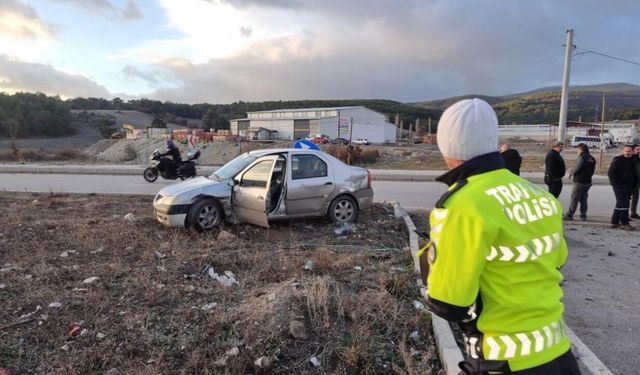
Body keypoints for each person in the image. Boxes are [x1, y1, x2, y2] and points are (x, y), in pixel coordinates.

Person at [423, 98, 579, 375]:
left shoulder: (461, 206)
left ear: (444, 144)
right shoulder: (537, 195)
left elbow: (448, 303)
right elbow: (557, 260)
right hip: (559, 356)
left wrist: (429, 259)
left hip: (502, 361)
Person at [563, 143, 596, 221]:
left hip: (579, 181)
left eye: (577, 149)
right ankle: (583, 215)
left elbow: (578, 168)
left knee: (574, 198)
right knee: (583, 199)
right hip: (588, 181)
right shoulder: (592, 158)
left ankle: (570, 215)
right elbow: (592, 170)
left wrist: (571, 173)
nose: (577, 151)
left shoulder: (581, 157)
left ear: (581, 149)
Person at [608, 145, 637, 230]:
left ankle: (614, 221)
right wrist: (615, 183)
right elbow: (611, 173)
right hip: (618, 185)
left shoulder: (633, 160)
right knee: (624, 203)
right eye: (625, 151)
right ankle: (624, 223)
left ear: (632, 151)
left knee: (620, 203)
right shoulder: (618, 160)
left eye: (629, 151)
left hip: (629, 186)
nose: (627, 153)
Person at [629, 144, 640, 219]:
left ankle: (633, 213)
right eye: (638, 149)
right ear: (633, 150)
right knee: (626, 199)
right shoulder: (629, 158)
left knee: (635, 198)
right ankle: (624, 214)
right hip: (629, 182)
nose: (639, 151)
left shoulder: (638, 159)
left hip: (637, 182)